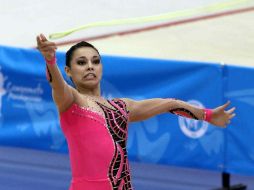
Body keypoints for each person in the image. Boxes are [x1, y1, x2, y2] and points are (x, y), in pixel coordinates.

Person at [36, 33, 235, 190]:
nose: (90, 66)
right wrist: (50, 61)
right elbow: (57, 85)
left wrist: (207, 115)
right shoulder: (71, 101)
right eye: (81, 62)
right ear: (68, 71)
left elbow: (168, 104)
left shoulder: (122, 107)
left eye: (95, 61)